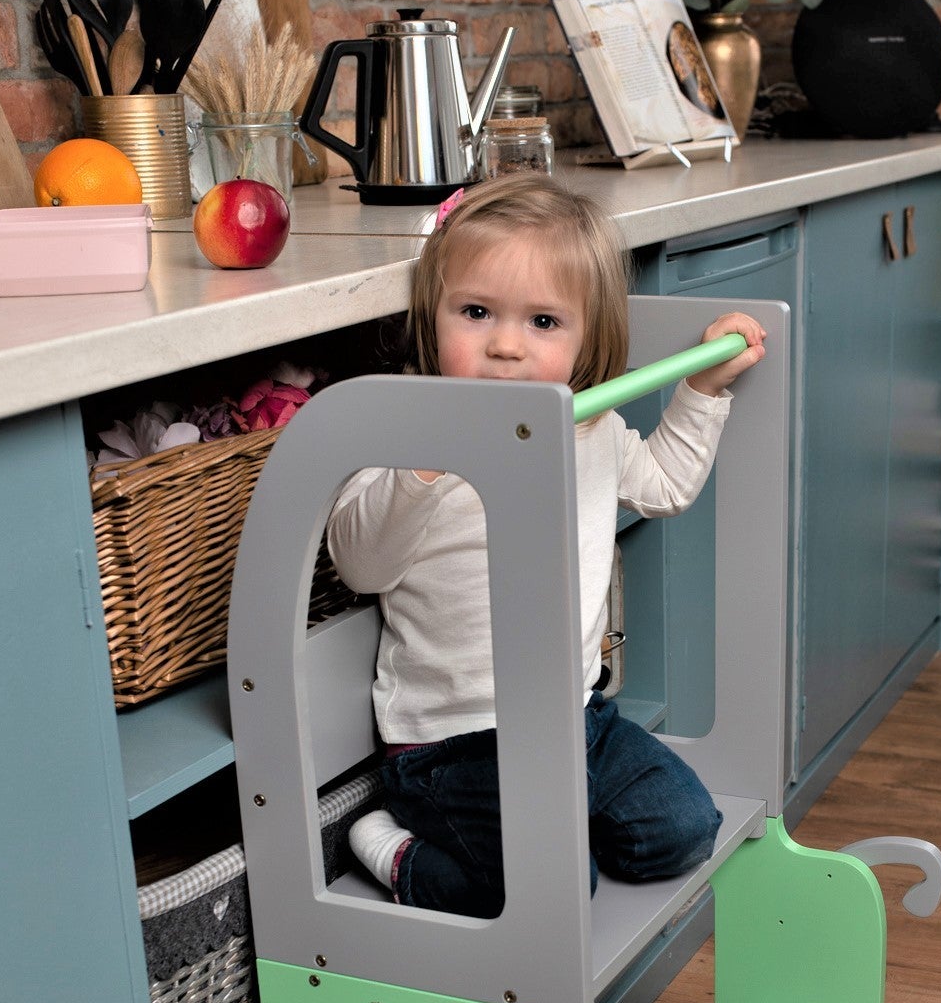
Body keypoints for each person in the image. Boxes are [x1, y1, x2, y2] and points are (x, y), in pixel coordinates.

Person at [326, 173, 766, 918]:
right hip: (454, 751)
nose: (503, 346)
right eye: (475, 312)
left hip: (575, 721)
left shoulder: (587, 429)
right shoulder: (404, 428)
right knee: (544, 894)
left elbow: (662, 487)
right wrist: (423, 466)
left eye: (542, 322)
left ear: (586, 335)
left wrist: (703, 390)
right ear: (432, 317)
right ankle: (394, 852)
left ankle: (560, 837)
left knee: (684, 830)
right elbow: (360, 565)